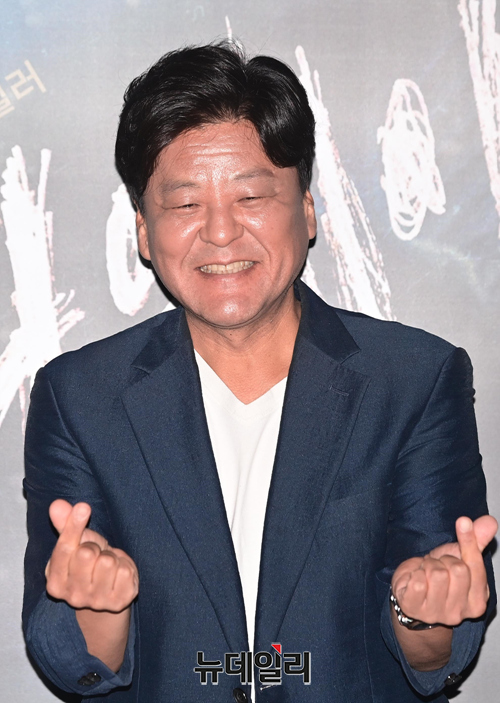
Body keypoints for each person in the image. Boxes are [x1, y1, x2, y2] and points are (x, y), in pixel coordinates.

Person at [23, 42, 496, 703]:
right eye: (185, 204)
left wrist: (424, 611)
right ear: (143, 232)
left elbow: (435, 652)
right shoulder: (79, 396)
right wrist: (99, 608)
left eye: (250, 195)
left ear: (307, 209)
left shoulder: (414, 380)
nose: (220, 232)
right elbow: (67, 652)